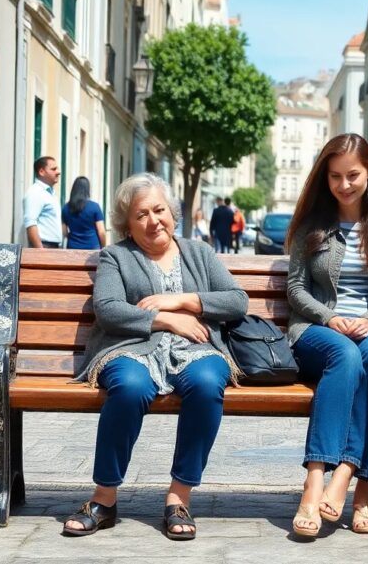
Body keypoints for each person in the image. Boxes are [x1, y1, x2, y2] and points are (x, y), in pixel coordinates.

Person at [62, 174, 248, 541]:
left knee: (207, 383)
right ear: (127, 224)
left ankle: (179, 498)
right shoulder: (116, 256)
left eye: (159, 210)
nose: (153, 221)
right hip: (132, 347)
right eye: (141, 214)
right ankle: (104, 499)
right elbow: (108, 308)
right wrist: (164, 319)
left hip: (195, 347)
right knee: (129, 387)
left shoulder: (199, 253)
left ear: (172, 213)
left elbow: (237, 301)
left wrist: (182, 300)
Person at [284, 134, 368, 537]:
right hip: (317, 330)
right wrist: (329, 317)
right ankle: (315, 481)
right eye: (335, 176)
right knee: (346, 356)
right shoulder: (312, 226)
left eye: (352, 175)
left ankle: (356, 484)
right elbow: (296, 289)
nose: (344, 184)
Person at [23, 156, 63, 248]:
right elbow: (30, 223)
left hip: (52, 247)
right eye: (53, 169)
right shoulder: (35, 192)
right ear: (41, 172)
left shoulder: (50, 193)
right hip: (44, 246)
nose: (58, 172)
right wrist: (40, 251)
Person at [62, 176, 107, 249]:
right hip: (92, 246)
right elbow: (101, 231)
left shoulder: (66, 208)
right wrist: (103, 247)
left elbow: (64, 232)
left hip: (72, 247)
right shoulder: (94, 207)